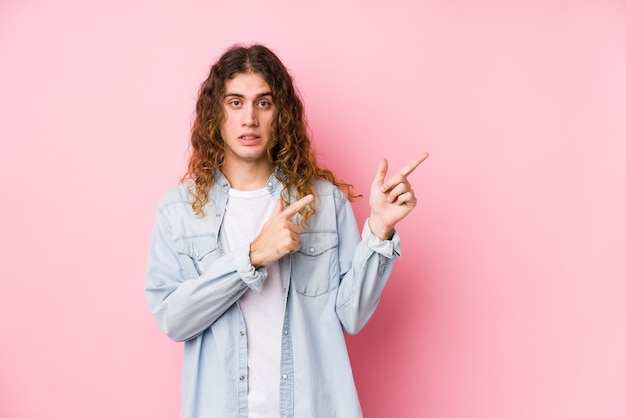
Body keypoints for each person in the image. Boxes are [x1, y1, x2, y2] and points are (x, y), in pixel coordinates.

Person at [145, 43, 428, 418]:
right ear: (216, 113)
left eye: (263, 102)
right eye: (235, 103)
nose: (249, 119)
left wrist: (379, 230)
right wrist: (251, 257)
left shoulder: (325, 203)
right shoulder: (178, 211)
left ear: (281, 113)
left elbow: (351, 317)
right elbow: (175, 319)